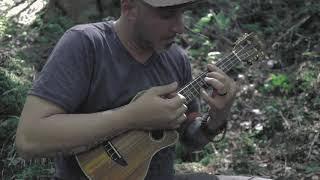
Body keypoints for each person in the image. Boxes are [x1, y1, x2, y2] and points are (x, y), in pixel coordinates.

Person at [15, 0, 271, 179]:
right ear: (129, 8)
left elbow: (190, 139)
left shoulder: (176, 59)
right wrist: (131, 116)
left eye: (181, 14)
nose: (180, 27)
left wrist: (217, 117)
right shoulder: (86, 44)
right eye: (167, 15)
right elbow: (29, 138)